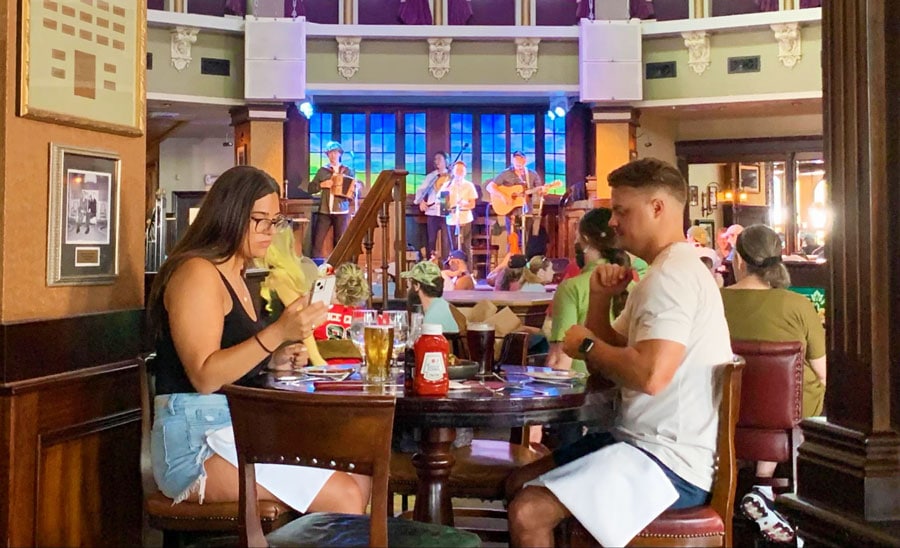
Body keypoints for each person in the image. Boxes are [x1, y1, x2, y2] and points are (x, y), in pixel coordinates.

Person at [505, 158, 733, 547]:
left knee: (528, 510)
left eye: (621, 210)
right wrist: (598, 299)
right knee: (518, 480)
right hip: (637, 443)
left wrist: (585, 344)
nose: (612, 221)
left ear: (657, 208)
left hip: (669, 462)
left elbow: (650, 375)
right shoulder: (663, 272)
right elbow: (613, 360)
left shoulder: (672, 277)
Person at [147, 165, 370, 515]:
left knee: (359, 477)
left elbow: (230, 358)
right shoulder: (196, 272)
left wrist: (272, 360)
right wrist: (277, 333)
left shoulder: (238, 274)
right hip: (195, 444)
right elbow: (204, 376)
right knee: (344, 494)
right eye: (259, 220)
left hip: (236, 426)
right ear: (230, 214)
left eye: (275, 221)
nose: (270, 231)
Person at [721, 224, 826, 544]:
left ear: (739, 260)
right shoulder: (798, 305)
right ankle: (764, 486)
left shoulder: (715, 300)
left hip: (727, 410)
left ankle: (756, 486)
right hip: (786, 418)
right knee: (811, 386)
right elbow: (823, 372)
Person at [486, 151, 546, 252]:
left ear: (525, 161)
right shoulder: (506, 173)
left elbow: (539, 191)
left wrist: (543, 190)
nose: (518, 163)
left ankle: (525, 262)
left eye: (520, 160)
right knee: (513, 239)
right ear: (513, 160)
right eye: (516, 161)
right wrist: (503, 196)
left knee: (527, 239)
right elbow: (490, 187)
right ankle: (512, 263)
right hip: (511, 212)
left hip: (527, 211)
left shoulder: (531, 174)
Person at [308, 141, 358, 259]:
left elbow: (353, 192)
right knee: (317, 242)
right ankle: (315, 267)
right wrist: (322, 185)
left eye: (335, 152)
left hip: (341, 212)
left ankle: (339, 267)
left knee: (339, 243)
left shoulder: (347, 171)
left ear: (340, 154)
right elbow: (310, 188)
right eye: (330, 153)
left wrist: (351, 192)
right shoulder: (323, 171)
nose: (333, 155)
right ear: (328, 155)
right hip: (325, 211)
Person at [313, 263, 370, 341]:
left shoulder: (318, 313)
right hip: (352, 352)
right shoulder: (363, 317)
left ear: (335, 286)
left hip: (322, 351)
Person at [401, 260, 459, 333]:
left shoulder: (431, 319)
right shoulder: (444, 306)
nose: (409, 288)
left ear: (417, 286)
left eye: (411, 283)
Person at [415, 151, 452, 263]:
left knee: (447, 240)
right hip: (432, 210)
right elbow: (421, 190)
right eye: (435, 159)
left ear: (446, 161)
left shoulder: (451, 176)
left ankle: (446, 262)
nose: (437, 162)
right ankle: (431, 262)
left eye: (439, 159)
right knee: (431, 239)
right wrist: (421, 201)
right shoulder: (432, 176)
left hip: (445, 208)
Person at [439, 160, 477, 268]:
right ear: (453, 172)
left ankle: (468, 271)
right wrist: (447, 207)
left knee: (466, 246)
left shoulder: (469, 185)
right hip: (451, 218)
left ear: (465, 172)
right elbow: (441, 201)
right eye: (457, 170)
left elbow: (472, 204)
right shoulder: (447, 185)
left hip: (465, 218)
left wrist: (464, 204)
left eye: (461, 170)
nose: (459, 172)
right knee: (453, 245)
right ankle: (454, 270)